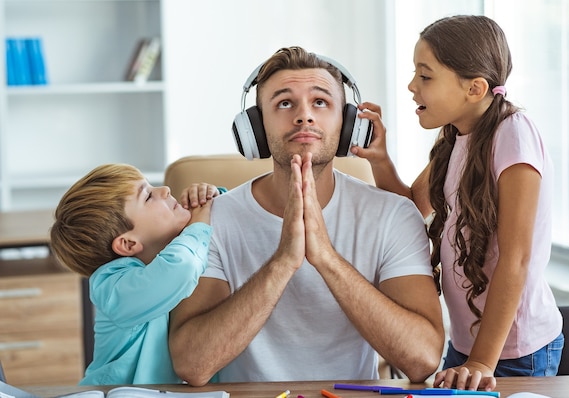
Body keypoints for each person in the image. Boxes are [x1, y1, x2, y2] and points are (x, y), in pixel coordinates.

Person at [168, 46, 444, 386]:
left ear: (348, 124)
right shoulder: (212, 219)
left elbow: (423, 360)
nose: (304, 116)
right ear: (256, 127)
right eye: (285, 103)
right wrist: (284, 261)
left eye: (320, 102)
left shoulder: (392, 214)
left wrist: (325, 257)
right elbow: (192, 364)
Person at [352, 15, 563, 391]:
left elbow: (516, 258)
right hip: (467, 348)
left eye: (426, 76)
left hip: (511, 352)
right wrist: (380, 160)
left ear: (475, 88)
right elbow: (408, 209)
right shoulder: (456, 140)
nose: (411, 86)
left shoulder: (515, 134)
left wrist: (483, 360)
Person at [49, 163, 223, 385]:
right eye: (149, 196)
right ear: (129, 244)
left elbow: (222, 230)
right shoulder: (112, 287)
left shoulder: (172, 250)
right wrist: (199, 222)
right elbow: (183, 266)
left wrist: (210, 198)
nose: (165, 190)